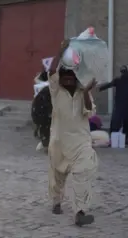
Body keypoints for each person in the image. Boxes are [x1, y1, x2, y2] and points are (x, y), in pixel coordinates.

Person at [46, 41, 98, 227]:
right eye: (64, 77)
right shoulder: (55, 91)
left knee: (84, 173)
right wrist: (60, 53)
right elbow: (52, 72)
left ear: (76, 79)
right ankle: (56, 200)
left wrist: (85, 91)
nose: (67, 80)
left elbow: (90, 110)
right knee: (57, 177)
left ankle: (80, 211)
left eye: (71, 77)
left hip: (81, 143)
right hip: (59, 142)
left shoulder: (82, 93)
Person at [99, 65, 128, 146]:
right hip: (125, 105)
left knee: (123, 123)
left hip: (123, 105)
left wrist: (99, 88)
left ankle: (121, 140)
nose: (124, 74)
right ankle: (116, 140)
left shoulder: (127, 79)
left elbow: (108, 85)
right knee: (122, 123)